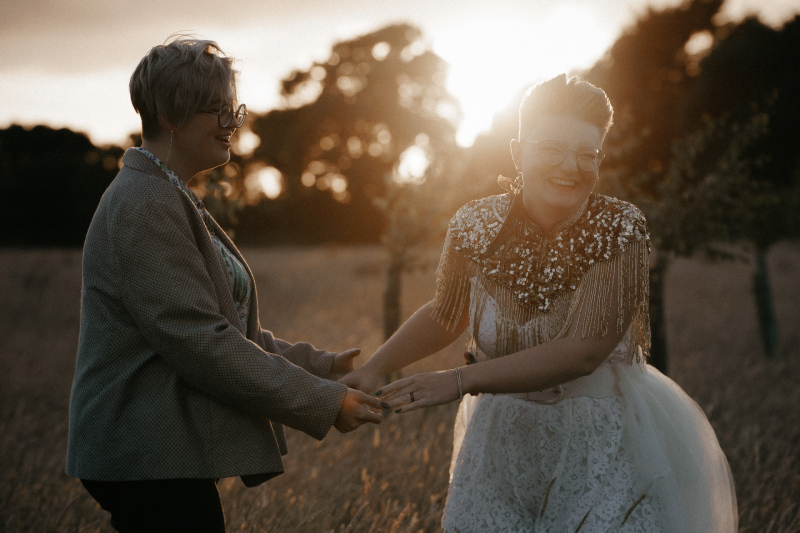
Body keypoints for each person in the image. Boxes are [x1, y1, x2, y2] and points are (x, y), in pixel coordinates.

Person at [342, 74, 737, 532]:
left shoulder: (621, 229)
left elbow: (585, 350)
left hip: (598, 441)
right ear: (517, 152)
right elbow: (447, 313)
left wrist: (460, 379)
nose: (570, 166)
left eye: (587, 154)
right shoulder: (474, 223)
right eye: (551, 148)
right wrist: (374, 368)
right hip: (498, 441)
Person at [66, 37, 383, 533]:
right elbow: (202, 343)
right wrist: (322, 401)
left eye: (233, 108)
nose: (234, 123)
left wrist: (322, 367)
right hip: (144, 454)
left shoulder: (169, 193)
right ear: (171, 115)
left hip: (162, 454)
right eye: (219, 111)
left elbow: (224, 327)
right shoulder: (145, 203)